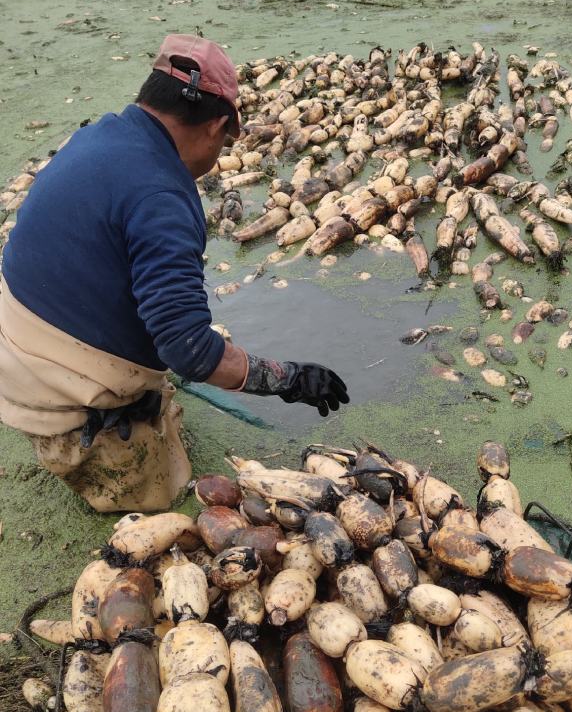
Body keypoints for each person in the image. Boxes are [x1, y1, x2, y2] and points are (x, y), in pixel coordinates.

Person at [0, 34, 348, 513]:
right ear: (217, 127)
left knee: (162, 399)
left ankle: (108, 402)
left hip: (14, 343)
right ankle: (90, 426)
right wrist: (287, 379)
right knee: (161, 494)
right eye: (227, 140)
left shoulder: (100, 133)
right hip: (51, 390)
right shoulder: (161, 198)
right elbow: (191, 352)